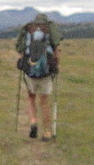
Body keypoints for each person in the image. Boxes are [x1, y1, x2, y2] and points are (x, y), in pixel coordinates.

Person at [15, 12, 62, 140]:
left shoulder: (29, 30)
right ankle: (47, 132)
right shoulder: (50, 30)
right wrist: (56, 65)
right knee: (44, 101)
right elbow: (57, 50)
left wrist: (21, 63)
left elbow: (20, 49)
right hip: (46, 72)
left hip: (30, 71)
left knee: (31, 98)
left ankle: (33, 122)